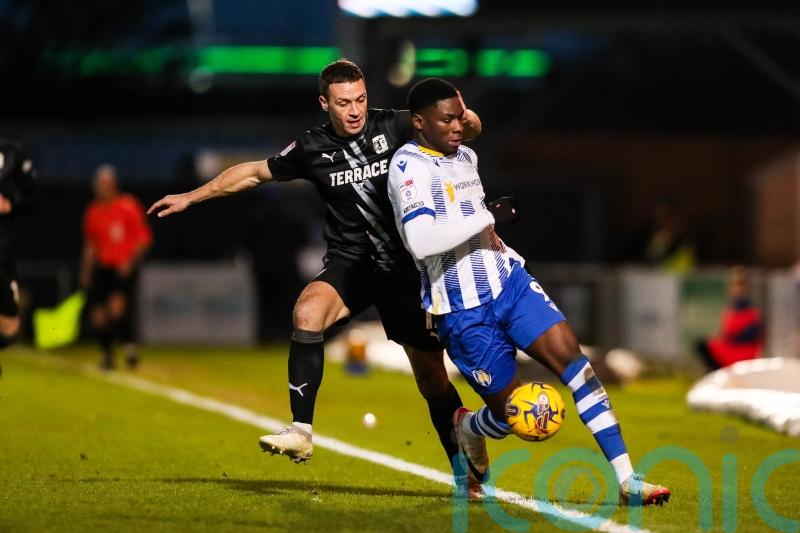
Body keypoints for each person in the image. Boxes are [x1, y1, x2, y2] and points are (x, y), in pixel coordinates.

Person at [148, 59, 491, 498]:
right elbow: (253, 172)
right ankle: (301, 430)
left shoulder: (396, 125)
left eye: (361, 99)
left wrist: (465, 118)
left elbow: (458, 127)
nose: (355, 110)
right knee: (307, 313)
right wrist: (191, 197)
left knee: (432, 381)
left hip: (405, 270)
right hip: (352, 264)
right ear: (325, 103)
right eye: (344, 103)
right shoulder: (312, 147)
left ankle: (468, 473)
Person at [387, 78, 671, 506]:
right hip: (462, 310)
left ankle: (628, 480)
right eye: (446, 120)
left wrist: (465, 124)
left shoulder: (465, 155)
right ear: (419, 122)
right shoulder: (408, 168)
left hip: (509, 283)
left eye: (460, 118)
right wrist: (487, 216)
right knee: (513, 418)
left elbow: (470, 131)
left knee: (578, 367)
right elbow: (421, 241)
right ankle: (468, 427)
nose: (457, 127)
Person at [81, 164, 152, 370]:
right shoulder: (93, 211)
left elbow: (143, 239)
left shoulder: (128, 206)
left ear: (114, 185)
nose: (101, 188)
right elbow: (91, 244)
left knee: (116, 309)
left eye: (105, 184)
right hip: (102, 267)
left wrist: (130, 261)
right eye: (99, 184)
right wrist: (86, 270)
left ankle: (129, 346)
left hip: (122, 267)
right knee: (98, 316)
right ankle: (107, 355)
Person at [0, 138, 38, 377]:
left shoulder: (11, 153)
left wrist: (11, 202)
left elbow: (34, 198)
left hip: (4, 255)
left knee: (10, 328)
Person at [695, 266, 763, 370]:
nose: (737, 289)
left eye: (740, 284)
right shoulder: (732, 308)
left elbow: (749, 337)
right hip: (731, 348)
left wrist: (729, 338)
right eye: (734, 285)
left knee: (703, 346)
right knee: (702, 345)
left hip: (742, 352)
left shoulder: (749, 309)